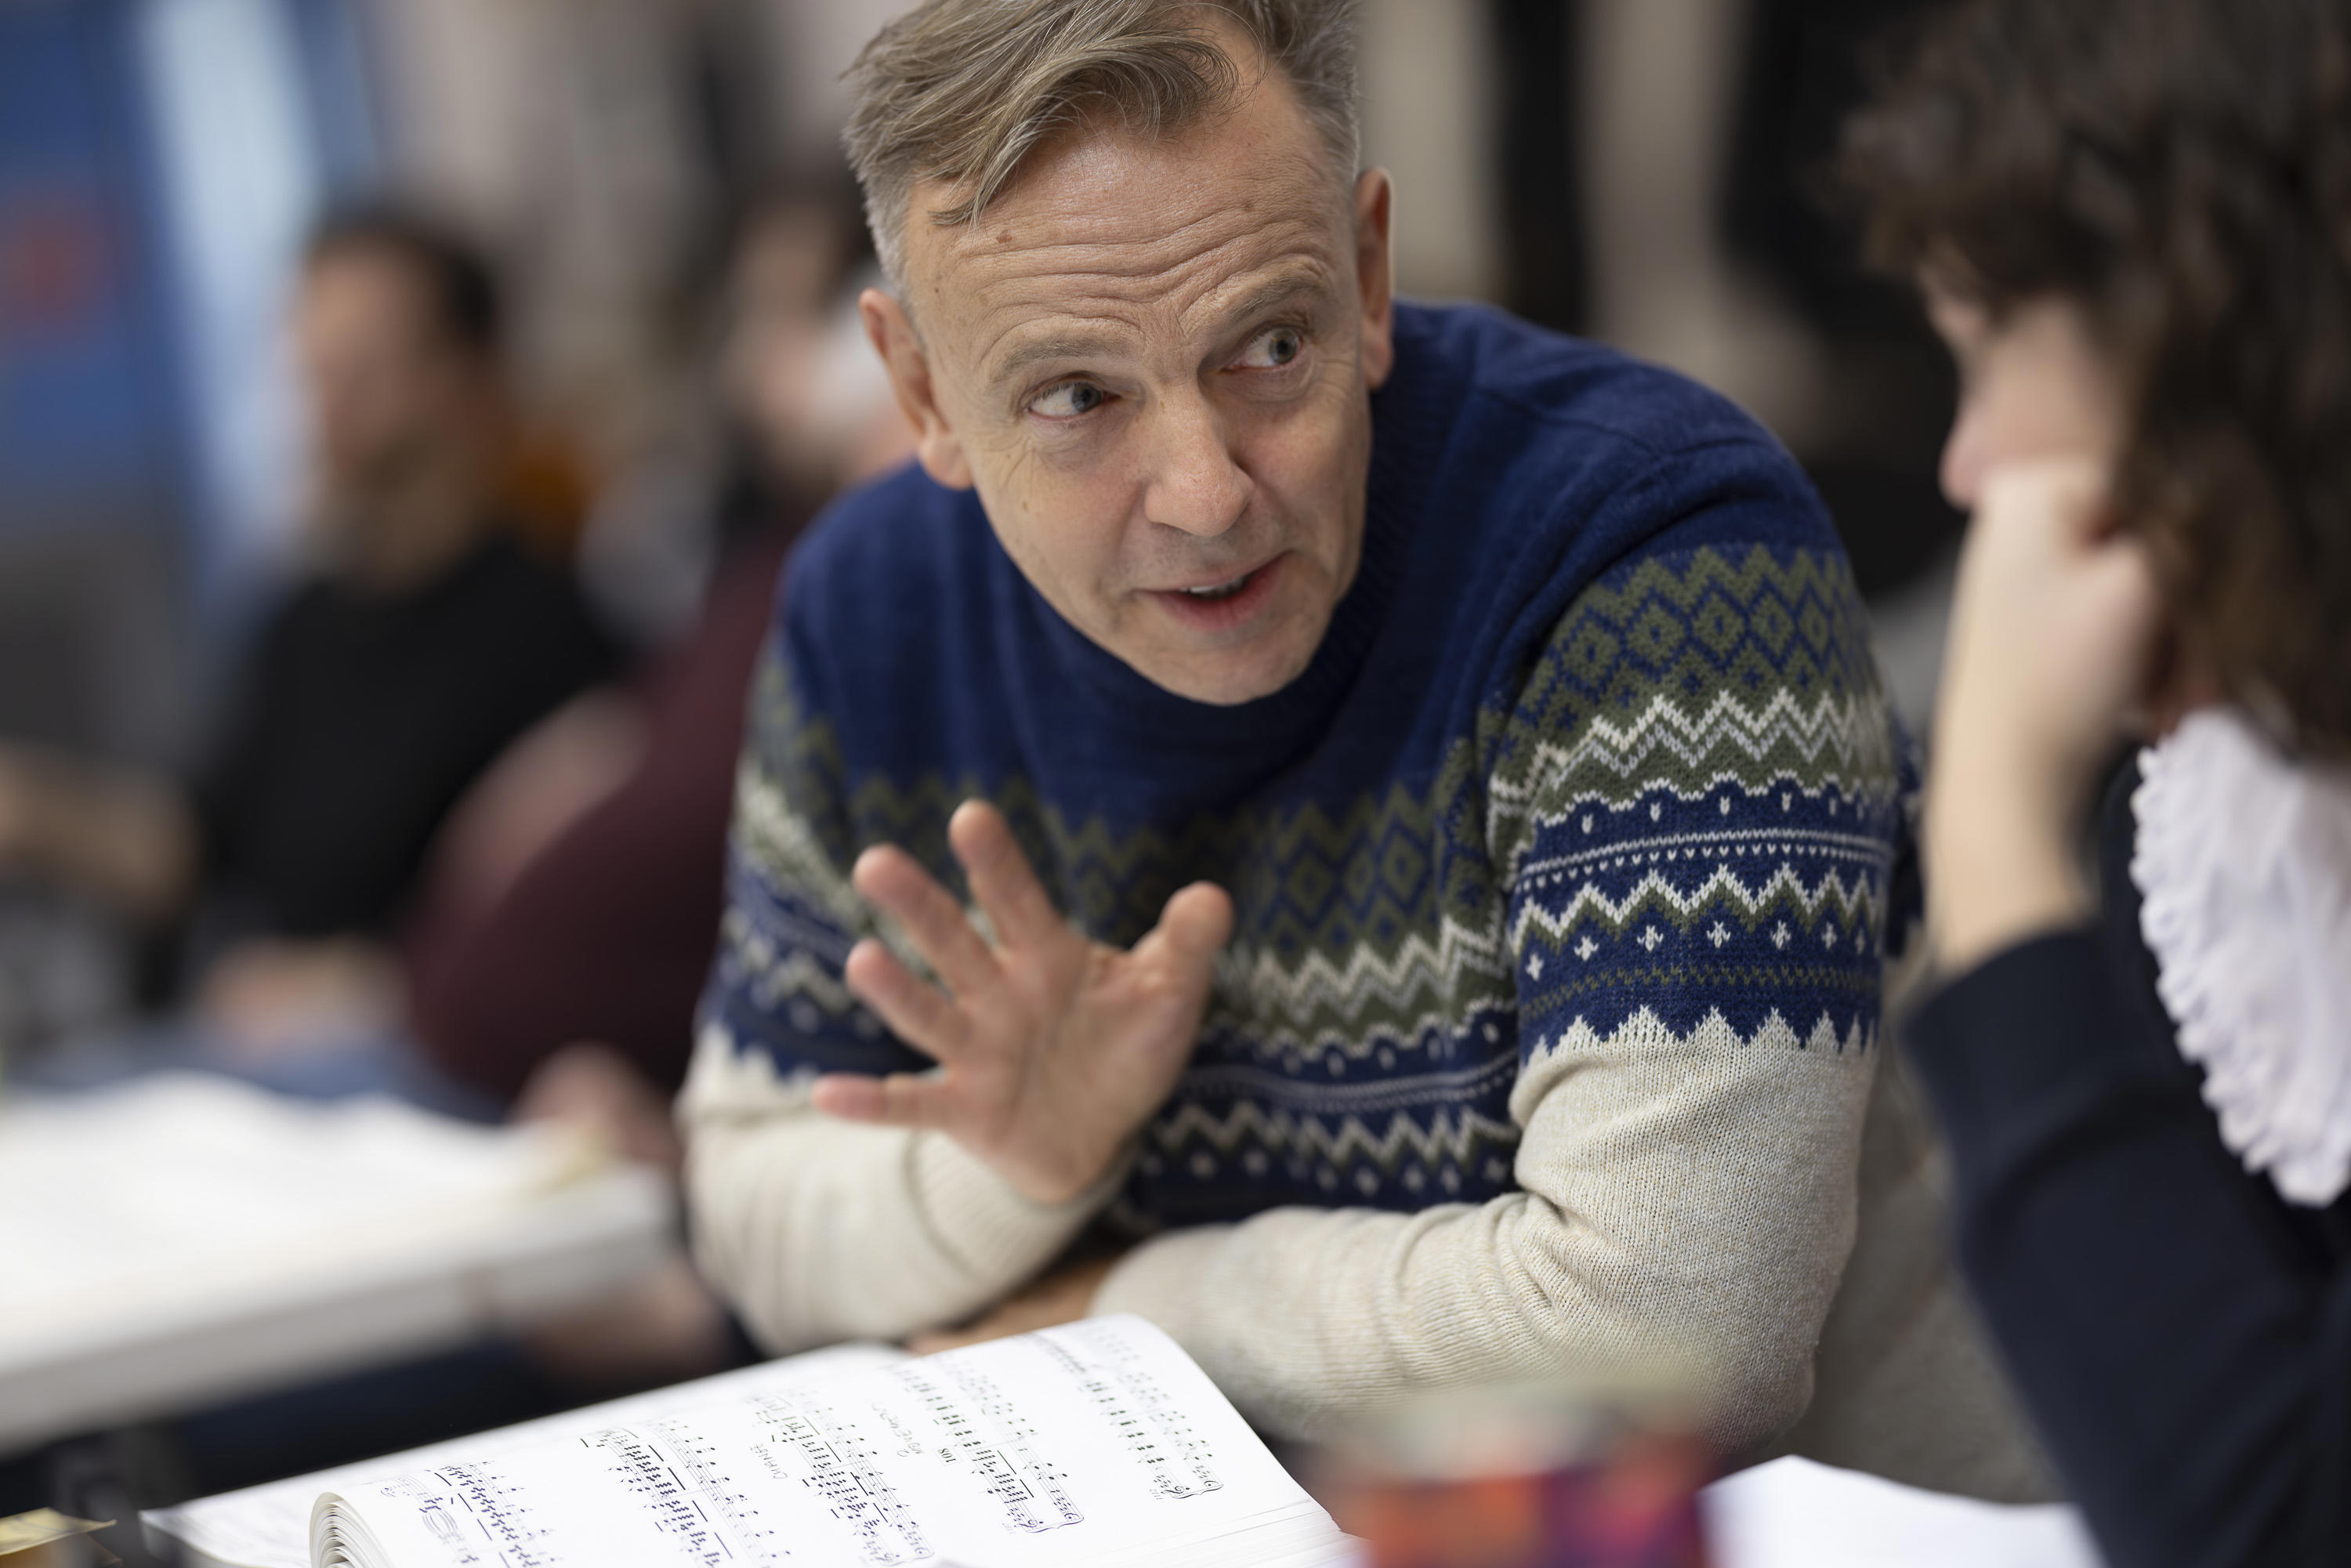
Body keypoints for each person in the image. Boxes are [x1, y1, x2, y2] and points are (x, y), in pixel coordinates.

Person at [680, 0, 1918, 1454]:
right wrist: (1020, 1167)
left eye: (1269, 347)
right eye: (1077, 396)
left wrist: (1117, 1312)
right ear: (920, 394)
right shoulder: (871, 609)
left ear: (1369, 273)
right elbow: (748, 1204)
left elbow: (1682, 1332)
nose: (1207, 494)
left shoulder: (1659, 554)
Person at [1844, 0, 2351, 1560]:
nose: (1965, 469)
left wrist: (1990, 821)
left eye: (1991, 365)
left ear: (2202, 367)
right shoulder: (2234, 809)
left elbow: (2259, 1519)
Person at [0, 205, 617, 1035]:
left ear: (461, 377)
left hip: (422, 1054)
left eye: (362, 365)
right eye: (315, 367)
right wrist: (34, 809)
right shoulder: (303, 618)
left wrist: (368, 982)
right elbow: (194, 838)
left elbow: (573, 917)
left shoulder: (551, 631)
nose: (327, 401)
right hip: (264, 1055)